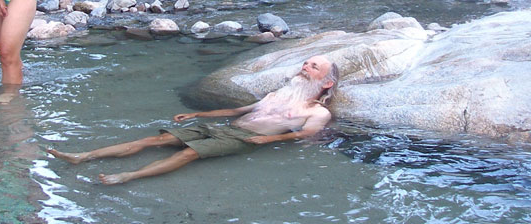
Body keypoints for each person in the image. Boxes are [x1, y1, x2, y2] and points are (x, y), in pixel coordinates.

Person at [48, 55, 339, 184]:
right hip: (226, 128)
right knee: (159, 139)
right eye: (305, 62)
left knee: (189, 153)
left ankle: (128, 176)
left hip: (244, 139)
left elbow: (303, 135)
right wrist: (198, 113)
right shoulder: (278, 94)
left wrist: (270, 139)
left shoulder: (317, 112)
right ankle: (82, 156)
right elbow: (237, 112)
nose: (305, 67)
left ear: (326, 82)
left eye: (313, 67)